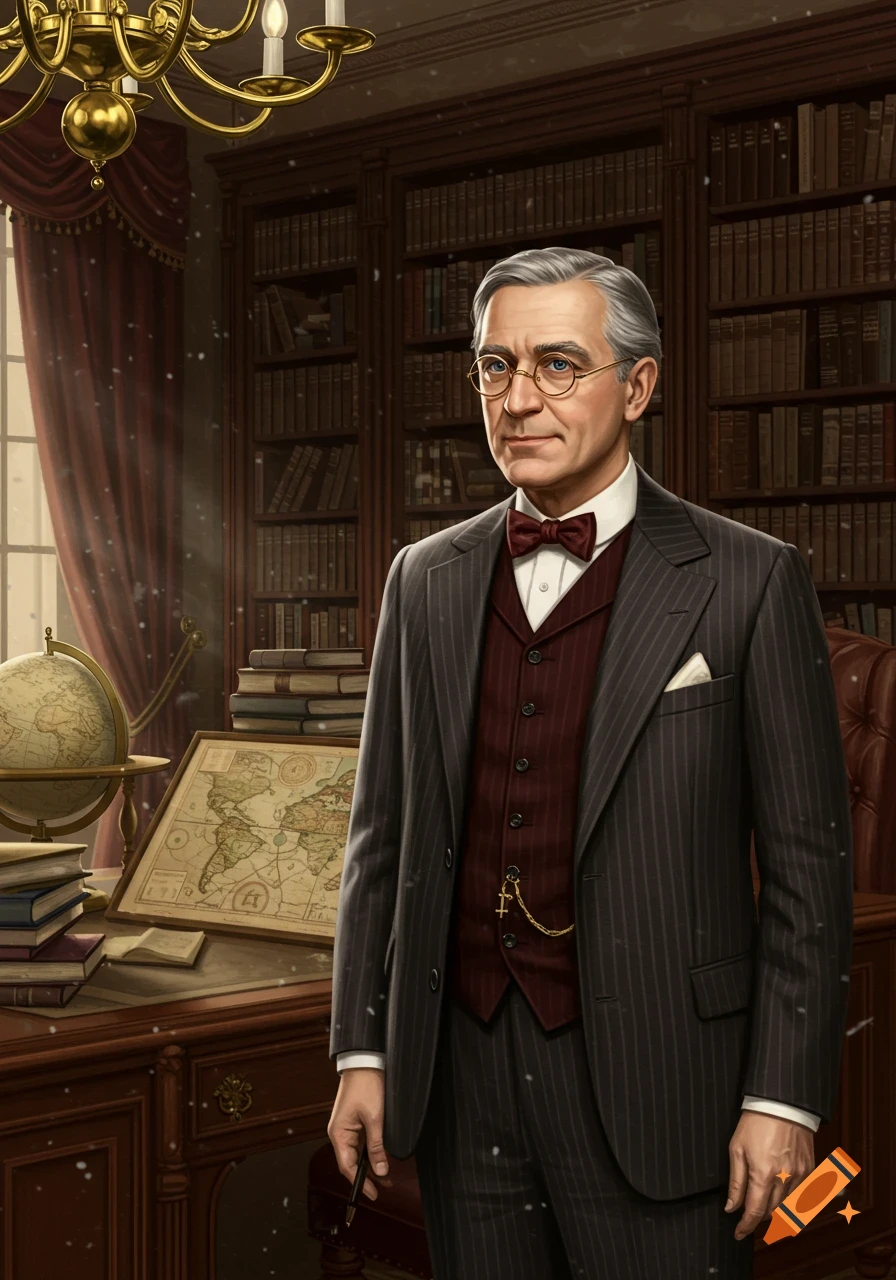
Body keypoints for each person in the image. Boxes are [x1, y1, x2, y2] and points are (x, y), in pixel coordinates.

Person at [326, 245, 853, 1278]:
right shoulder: (421, 579)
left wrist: (782, 1095)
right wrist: (363, 1048)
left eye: (558, 365)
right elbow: (377, 841)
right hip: (461, 1073)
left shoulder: (750, 579)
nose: (519, 399)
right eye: (495, 366)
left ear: (639, 386)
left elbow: (807, 870)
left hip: (668, 1078)